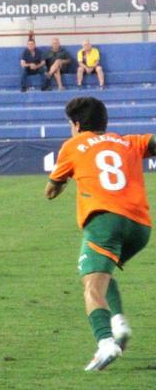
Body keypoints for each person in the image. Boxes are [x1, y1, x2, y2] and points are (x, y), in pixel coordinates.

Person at [46, 96, 154, 371]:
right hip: (140, 227)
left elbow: (51, 190)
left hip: (104, 221)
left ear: (77, 124)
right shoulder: (128, 141)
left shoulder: (73, 145)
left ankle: (105, 343)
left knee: (91, 285)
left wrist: (62, 184)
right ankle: (119, 324)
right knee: (103, 274)